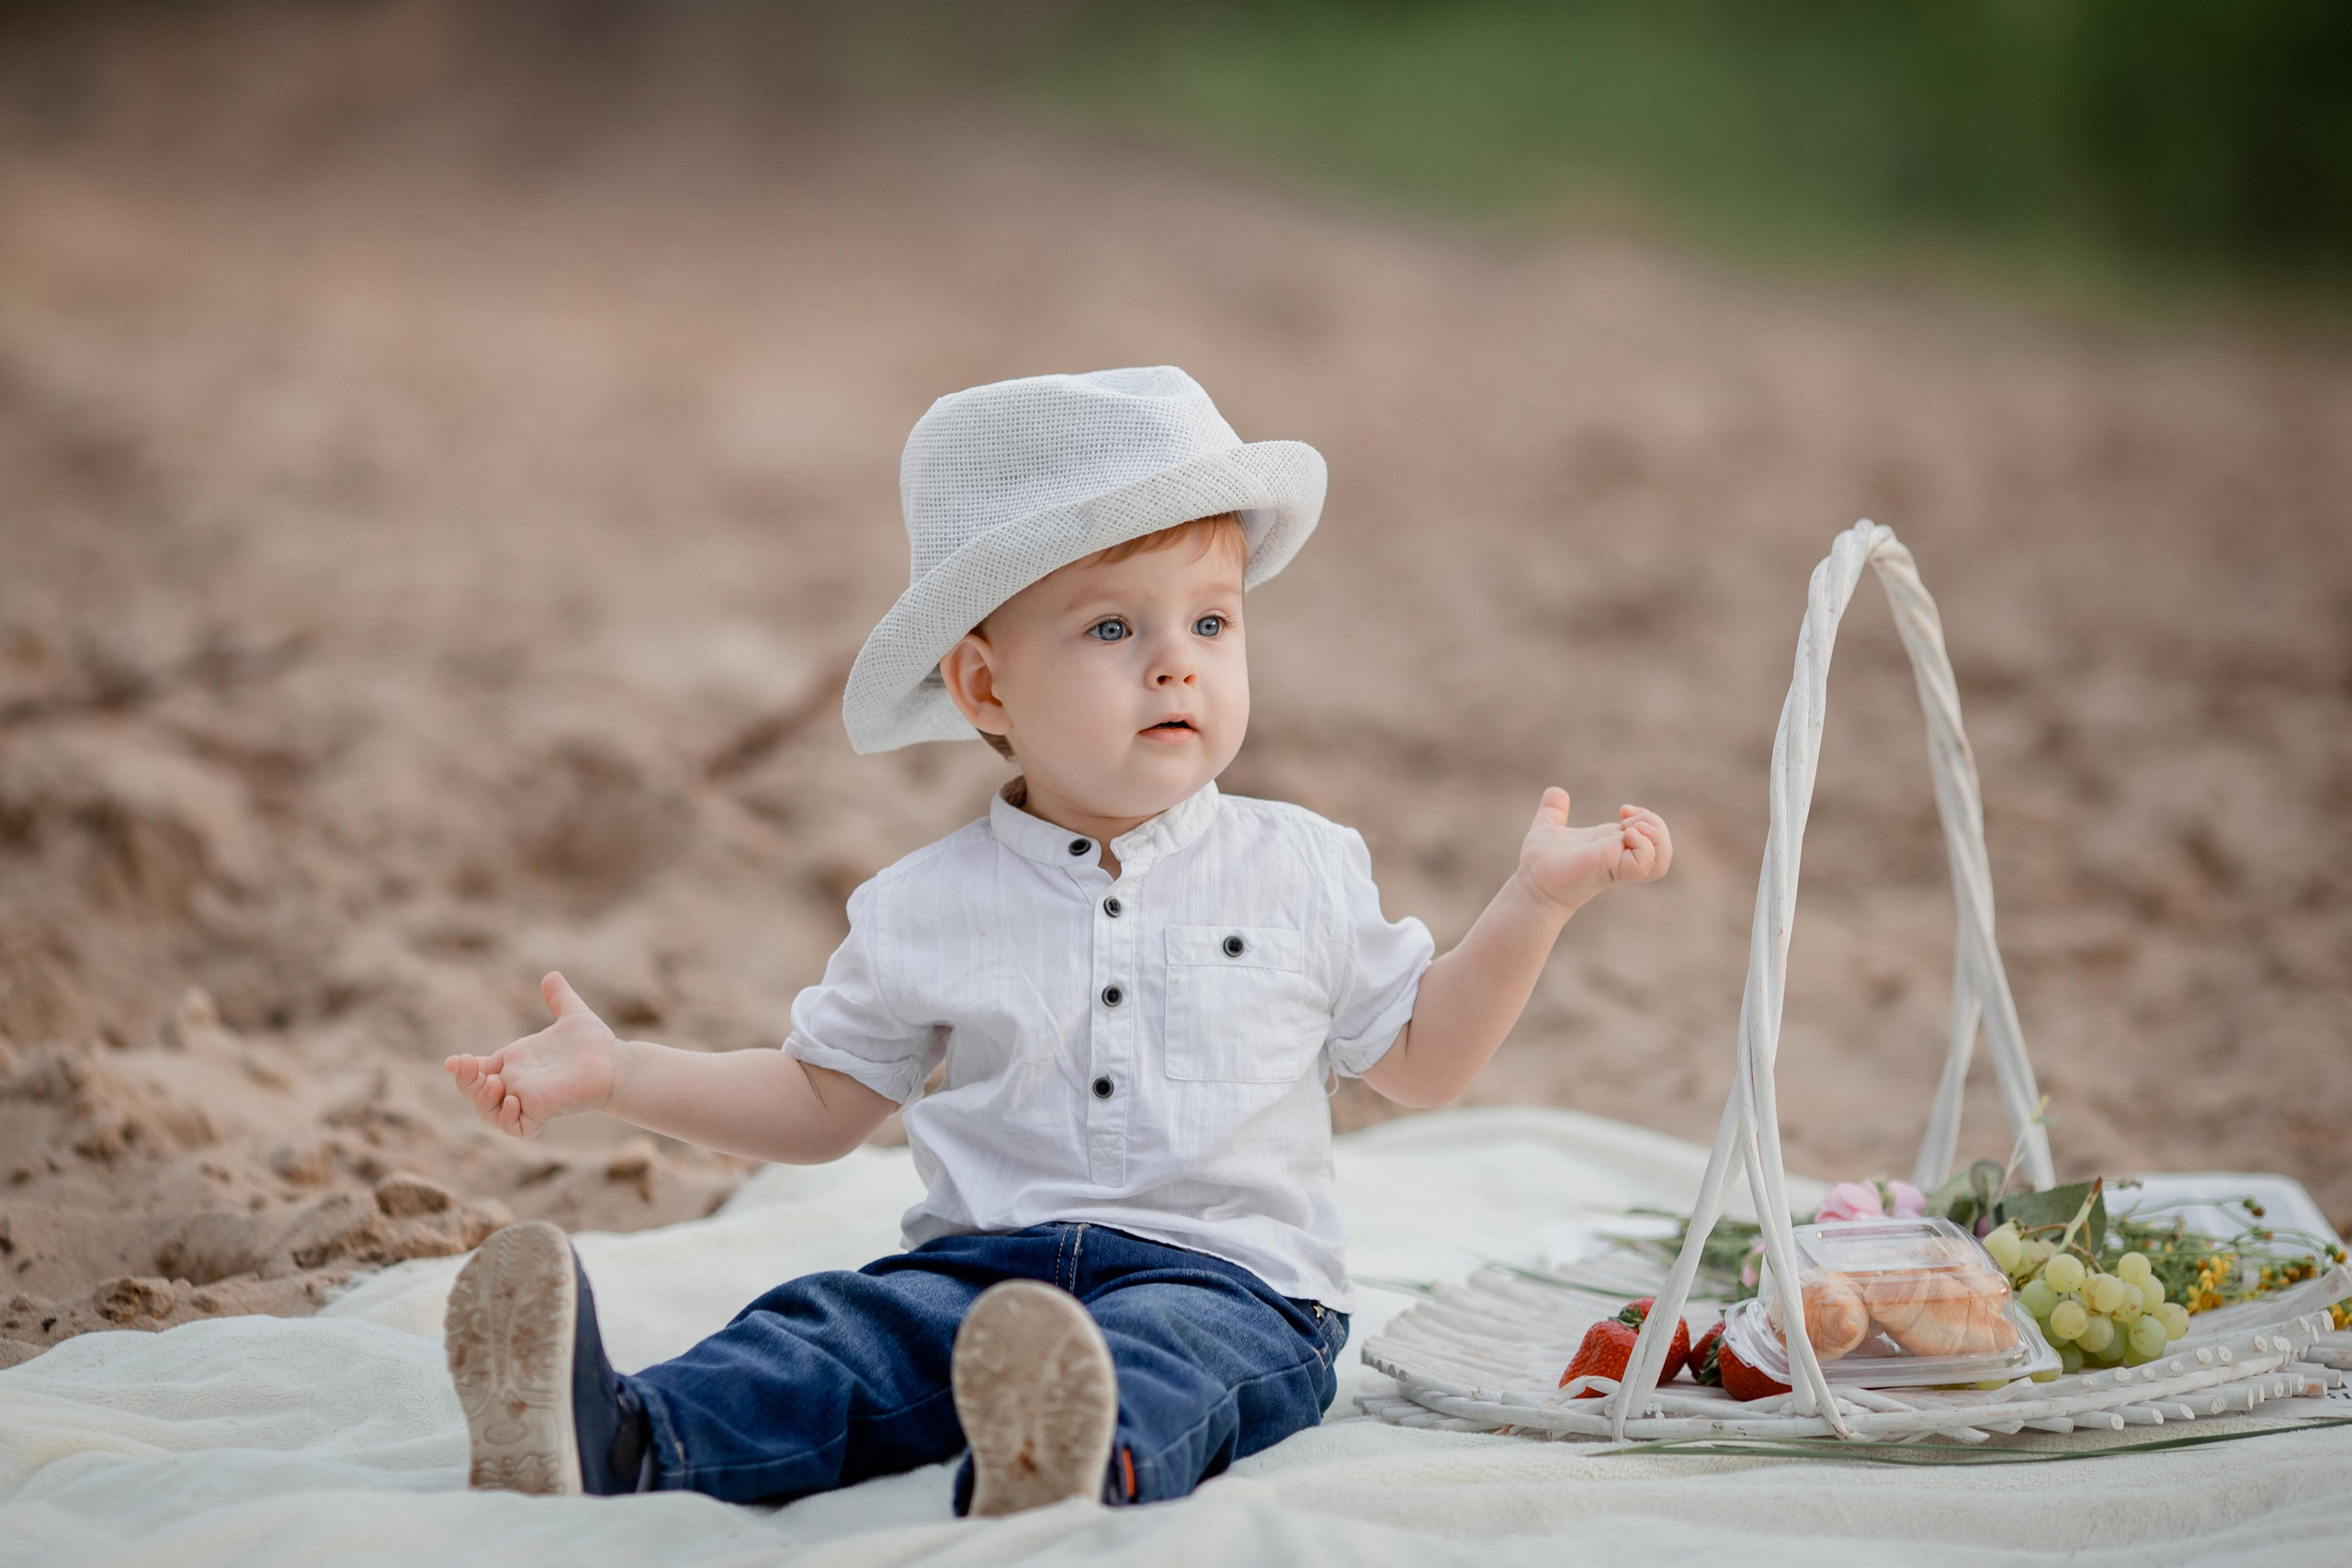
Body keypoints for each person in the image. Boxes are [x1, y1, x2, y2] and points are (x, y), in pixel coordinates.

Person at [439, 366, 1672, 1514]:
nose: (1177, 667)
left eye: (1212, 624)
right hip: (979, 1279)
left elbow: (1422, 1061)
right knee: (838, 1331)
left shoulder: (1298, 864)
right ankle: (623, 1434)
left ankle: (1074, 1454)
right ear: (984, 689)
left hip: (1233, 1285)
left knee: (1170, 1357)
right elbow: (820, 1103)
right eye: (1112, 631)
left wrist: (1532, 906)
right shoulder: (927, 901)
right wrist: (623, 1073)